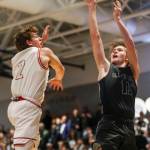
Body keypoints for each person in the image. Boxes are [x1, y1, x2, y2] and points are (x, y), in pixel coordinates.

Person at [86, 0, 140, 150]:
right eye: (113, 50)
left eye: (120, 50)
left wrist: (118, 20)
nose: (115, 51)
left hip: (129, 128)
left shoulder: (134, 72)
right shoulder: (105, 68)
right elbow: (95, 37)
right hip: (109, 126)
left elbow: (130, 43)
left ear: (127, 57)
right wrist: (92, 9)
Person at [7, 25, 65, 150]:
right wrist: (58, 79)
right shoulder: (44, 52)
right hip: (27, 108)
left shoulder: (15, 59)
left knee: (34, 144)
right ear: (28, 42)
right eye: (36, 37)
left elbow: (30, 51)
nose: (39, 38)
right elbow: (60, 68)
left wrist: (40, 41)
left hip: (14, 107)